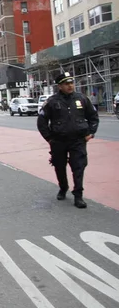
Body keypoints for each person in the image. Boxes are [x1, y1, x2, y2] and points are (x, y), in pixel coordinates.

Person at [37, 72, 99, 209]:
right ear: (60, 86)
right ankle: (63, 187)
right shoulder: (52, 101)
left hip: (78, 140)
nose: (70, 86)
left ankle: (78, 196)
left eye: (71, 83)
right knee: (59, 166)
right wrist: (49, 138)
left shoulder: (82, 99)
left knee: (79, 167)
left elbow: (93, 117)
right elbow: (41, 121)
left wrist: (91, 133)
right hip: (58, 141)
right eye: (66, 84)